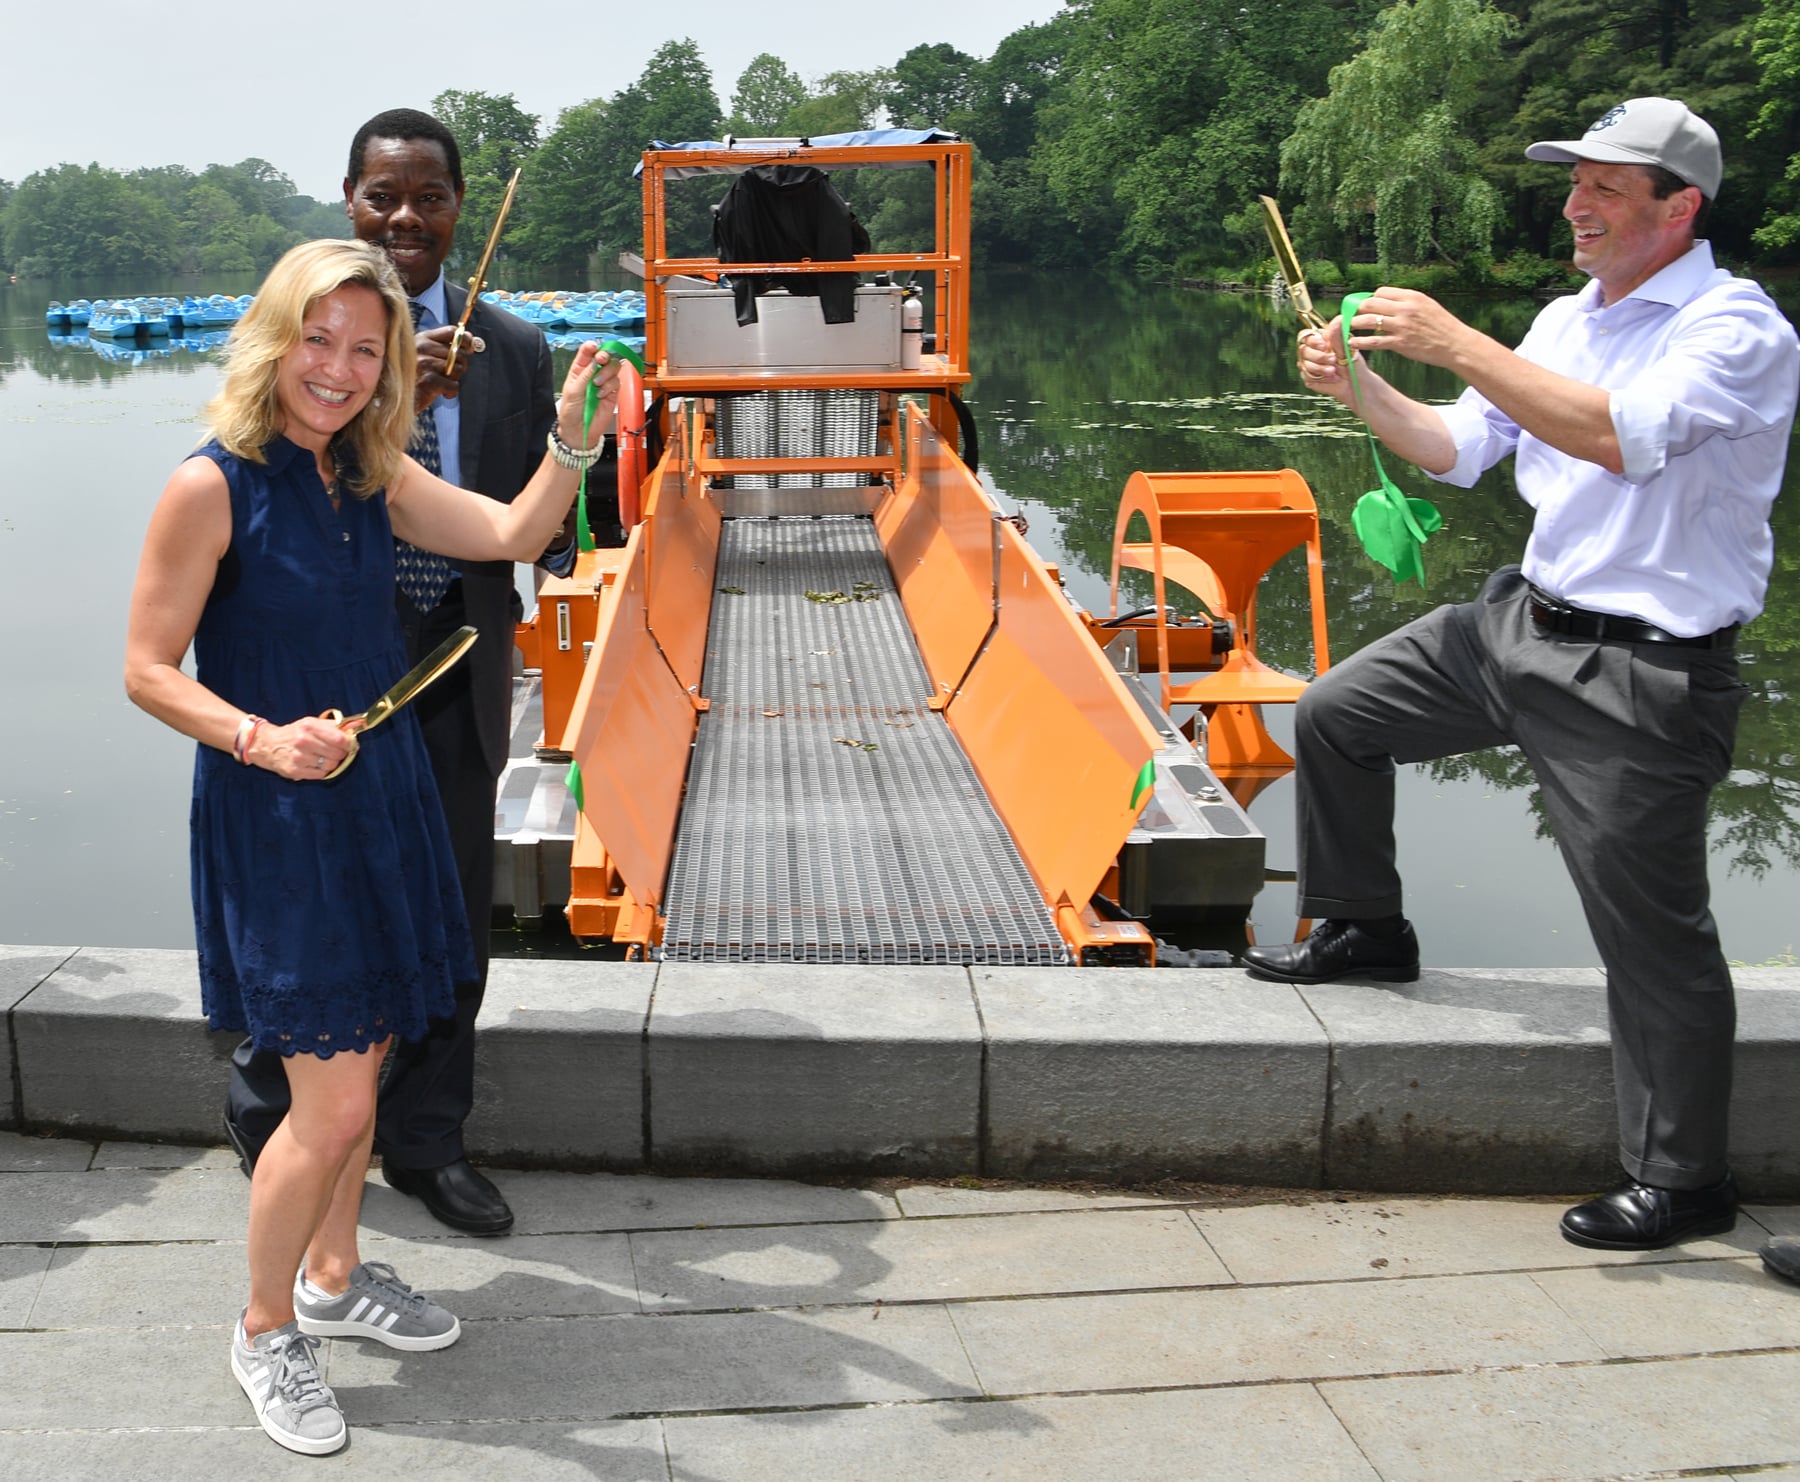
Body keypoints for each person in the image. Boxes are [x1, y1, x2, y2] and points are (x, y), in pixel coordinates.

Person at [1242, 98, 1800, 1254]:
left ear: (1677, 206)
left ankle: (1683, 1179)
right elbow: (1454, 448)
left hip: (1638, 672)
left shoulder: (1735, 329)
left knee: (1651, 936)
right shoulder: (1563, 316)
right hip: (1516, 625)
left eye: (1604, 187)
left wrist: (1457, 340)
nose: (1574, 206)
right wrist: (1360, 389)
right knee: (1336, 712)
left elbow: (1618, 436)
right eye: (1574, 181)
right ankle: (1362, 926)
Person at [124, 238, 616, 1454]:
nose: (338, 371)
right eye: (318, 341)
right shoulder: (210, 486)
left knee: (378, 1051)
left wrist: (575, 439)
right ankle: (263, 1329)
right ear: (273, 336)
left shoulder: (368, 470)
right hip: (281, 807)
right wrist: (256, 736)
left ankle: (336, 1277)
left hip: (379, 789)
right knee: (335, 1105)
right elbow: (143, 670)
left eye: (365, 348)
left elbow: (509, 533)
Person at [223, 108, 587, 1236]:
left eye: (429, 197)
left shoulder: (516, 351)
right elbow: (249, 501)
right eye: (384, 196)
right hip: (325, 679)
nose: (406, 218)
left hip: (456, 666)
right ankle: (272, 1116)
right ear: (349, 200)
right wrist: (382, 406)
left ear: (459, 210)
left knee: (447, 918)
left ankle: (428, 1141)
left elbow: (542, 531)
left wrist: (587, 448)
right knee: (308, 910)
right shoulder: (303, 341)